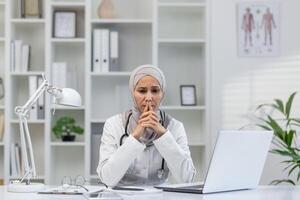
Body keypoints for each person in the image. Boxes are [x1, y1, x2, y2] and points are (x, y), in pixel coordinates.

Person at [97, 65, 196, 187]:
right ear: (133, 92)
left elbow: (186, 178)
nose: (149, 98)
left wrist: (163, 134)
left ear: (162, 93)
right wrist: (135, 136)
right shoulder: (114, 124)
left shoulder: (175, 126)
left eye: (155, 90)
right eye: (142, 91)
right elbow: (107, 178)